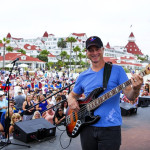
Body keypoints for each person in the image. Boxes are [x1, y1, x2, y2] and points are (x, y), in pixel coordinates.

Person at [67, 36, 143, 150]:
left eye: (97, 49)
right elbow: (72, 95)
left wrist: (136, 89)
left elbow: (129, 96)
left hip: (110, 128)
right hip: (87, 127)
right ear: (86, 52)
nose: (94, 53)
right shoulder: (83, 76)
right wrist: (71, 100)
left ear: (102, 50)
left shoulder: (117, 70)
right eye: (91, 50)